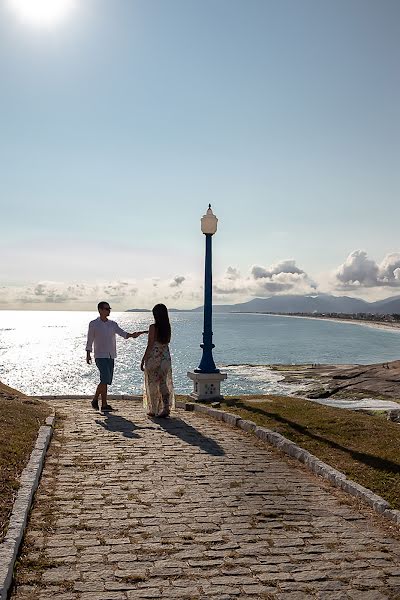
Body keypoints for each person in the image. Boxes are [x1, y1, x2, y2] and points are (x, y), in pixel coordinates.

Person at [86, 301, 147, 412]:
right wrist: (88, 354)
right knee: (104, 378)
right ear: (100, 310)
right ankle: (103, 404)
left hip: (111, 355)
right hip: (100, 355)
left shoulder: (112, 324)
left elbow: (123, 333)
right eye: (106, 308)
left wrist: (134, 334)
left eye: (109, 308)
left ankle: (96, 401)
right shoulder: (93, 324)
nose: (109, 310)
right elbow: (90, 339)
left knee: (106, 380)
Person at [141, 303, 175, 418]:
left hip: (154, 358)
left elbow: (150, 345)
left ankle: (154, 409)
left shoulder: (153, 327)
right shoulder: (167, 328)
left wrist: (143, 359)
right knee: (163, 383)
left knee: (152, 384)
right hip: (165, 358)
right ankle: (165, 408)